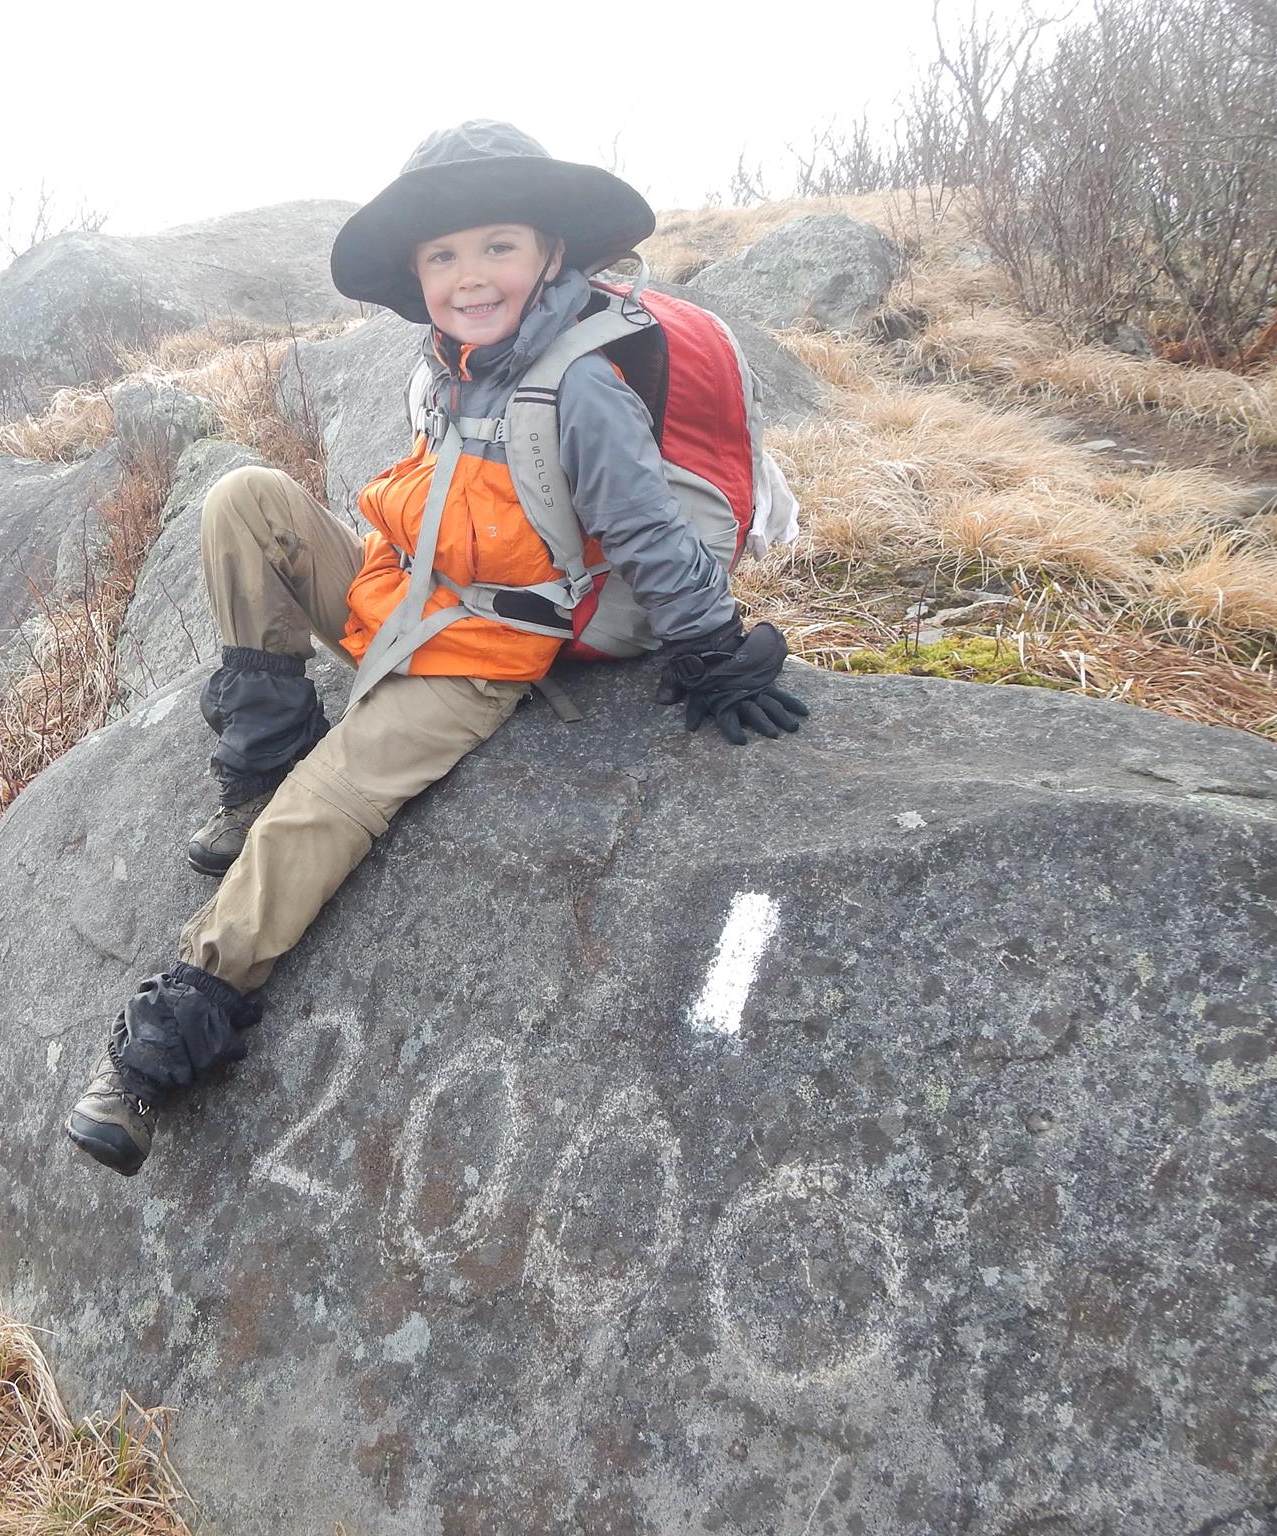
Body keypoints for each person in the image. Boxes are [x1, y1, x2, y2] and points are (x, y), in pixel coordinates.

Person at [65, 121, 808, 1176]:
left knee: (328, 802)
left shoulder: (579, 382)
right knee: (245, 499)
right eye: (444, 255)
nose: (470, 276)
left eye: (498, 245)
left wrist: (711, 646)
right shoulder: (450, 367)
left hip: (488, 645)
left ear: (551, 252)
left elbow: (643, 528)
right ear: (417, 276)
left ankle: (167, 1039)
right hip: (408, 599)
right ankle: (259, 770)